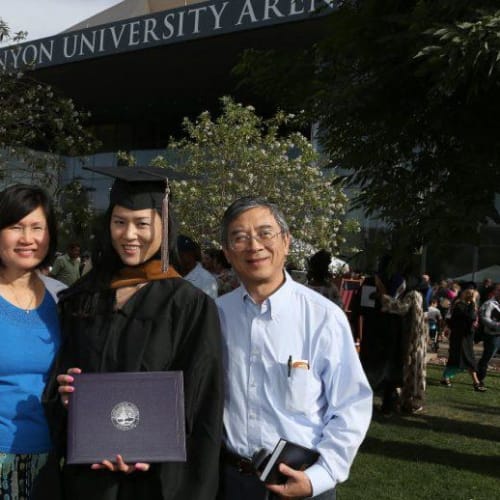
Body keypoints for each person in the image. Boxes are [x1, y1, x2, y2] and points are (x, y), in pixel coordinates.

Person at [45, 166, 224, 500]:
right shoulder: (84, 295)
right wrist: (66, 394)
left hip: (155, 478)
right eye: (119, 222)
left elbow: (201, 402)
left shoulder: (189, 305)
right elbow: (59, 378)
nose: (129, 235)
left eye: (142, 223)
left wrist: (146, 448)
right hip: (89, 475)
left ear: (163, 225)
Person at [215, 196, 372, 500]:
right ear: (227, 252)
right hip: (231, 483)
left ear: (286, 242)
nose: (254, 245)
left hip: (303, 483)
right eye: (239, 237)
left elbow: (351, 405)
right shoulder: (216, 315)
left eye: (265, 233)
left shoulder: (323, 317)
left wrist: (319, 477)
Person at [0, 184, 66, 499]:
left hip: (51, 458)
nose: (27, 239)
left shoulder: (62, 298)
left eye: (37, 227)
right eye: (16, 227)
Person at [440, 289, 485, 391]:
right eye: (475, 297)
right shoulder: (460, 306)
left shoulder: (467, 306)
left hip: (466, 337)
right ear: (470, 297)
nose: (476, 299)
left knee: (463, 359)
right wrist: (473, 303)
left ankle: (445, 377)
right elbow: (471, 317)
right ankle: (476, 383)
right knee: (465, 359)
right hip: (460, 338)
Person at [177, 234, 218, 299]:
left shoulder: (206, 279)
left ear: (191, 254)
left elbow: (208, 307)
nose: (176, 258)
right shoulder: (172, 274)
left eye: (180, 254)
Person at [477, 283, 500, 387]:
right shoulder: (490, 304)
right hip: (492, 336)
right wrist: (496, 325)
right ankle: (479, 379)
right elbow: (484, 318)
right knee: (487, 358)